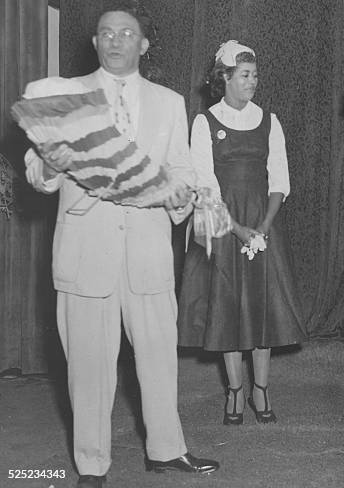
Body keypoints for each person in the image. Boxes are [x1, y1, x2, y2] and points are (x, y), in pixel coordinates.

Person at [24, 8, 219, 488]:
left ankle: (167, 450)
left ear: (144, 45)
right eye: (107, 34)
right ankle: (92, 465)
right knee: (88, 367)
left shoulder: (170, 103)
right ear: (95, 42)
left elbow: (183, 168)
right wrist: (52, 165)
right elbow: (36, 172)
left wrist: (181, 195)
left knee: (158, 357)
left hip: (148, 250)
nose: (116, 41)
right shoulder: (67, 97)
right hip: (85, 251)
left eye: (127, 33)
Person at [178, 41, 304, 425]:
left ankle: (261, 389)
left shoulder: (270, 120)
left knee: (262, 304)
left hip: (262, 221)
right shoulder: (205, 122)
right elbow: (204, 183)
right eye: (245, 75)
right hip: (219, 221)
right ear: (225, 78)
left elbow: (279, 178)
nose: (253, 82)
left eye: (255, 75)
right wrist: (236, 229)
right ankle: (235, 389)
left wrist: (263, 226)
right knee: (227, 305)